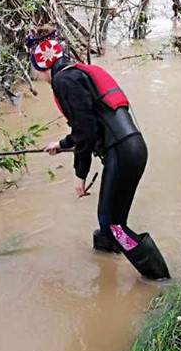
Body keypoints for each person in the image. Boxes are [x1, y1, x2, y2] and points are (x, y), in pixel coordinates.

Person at [26, 27, 170, 282]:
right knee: (108, 221)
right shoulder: (74, 74)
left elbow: (86, 132)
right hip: (131, 148)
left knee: (114, 226)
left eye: (32, 66)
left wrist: (79, 175)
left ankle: (158, 279)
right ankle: (106, 271)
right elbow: (89, 126)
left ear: (41, 61)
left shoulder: (64, 81)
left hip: (122, 153)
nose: (33, 74)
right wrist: (60, 144)